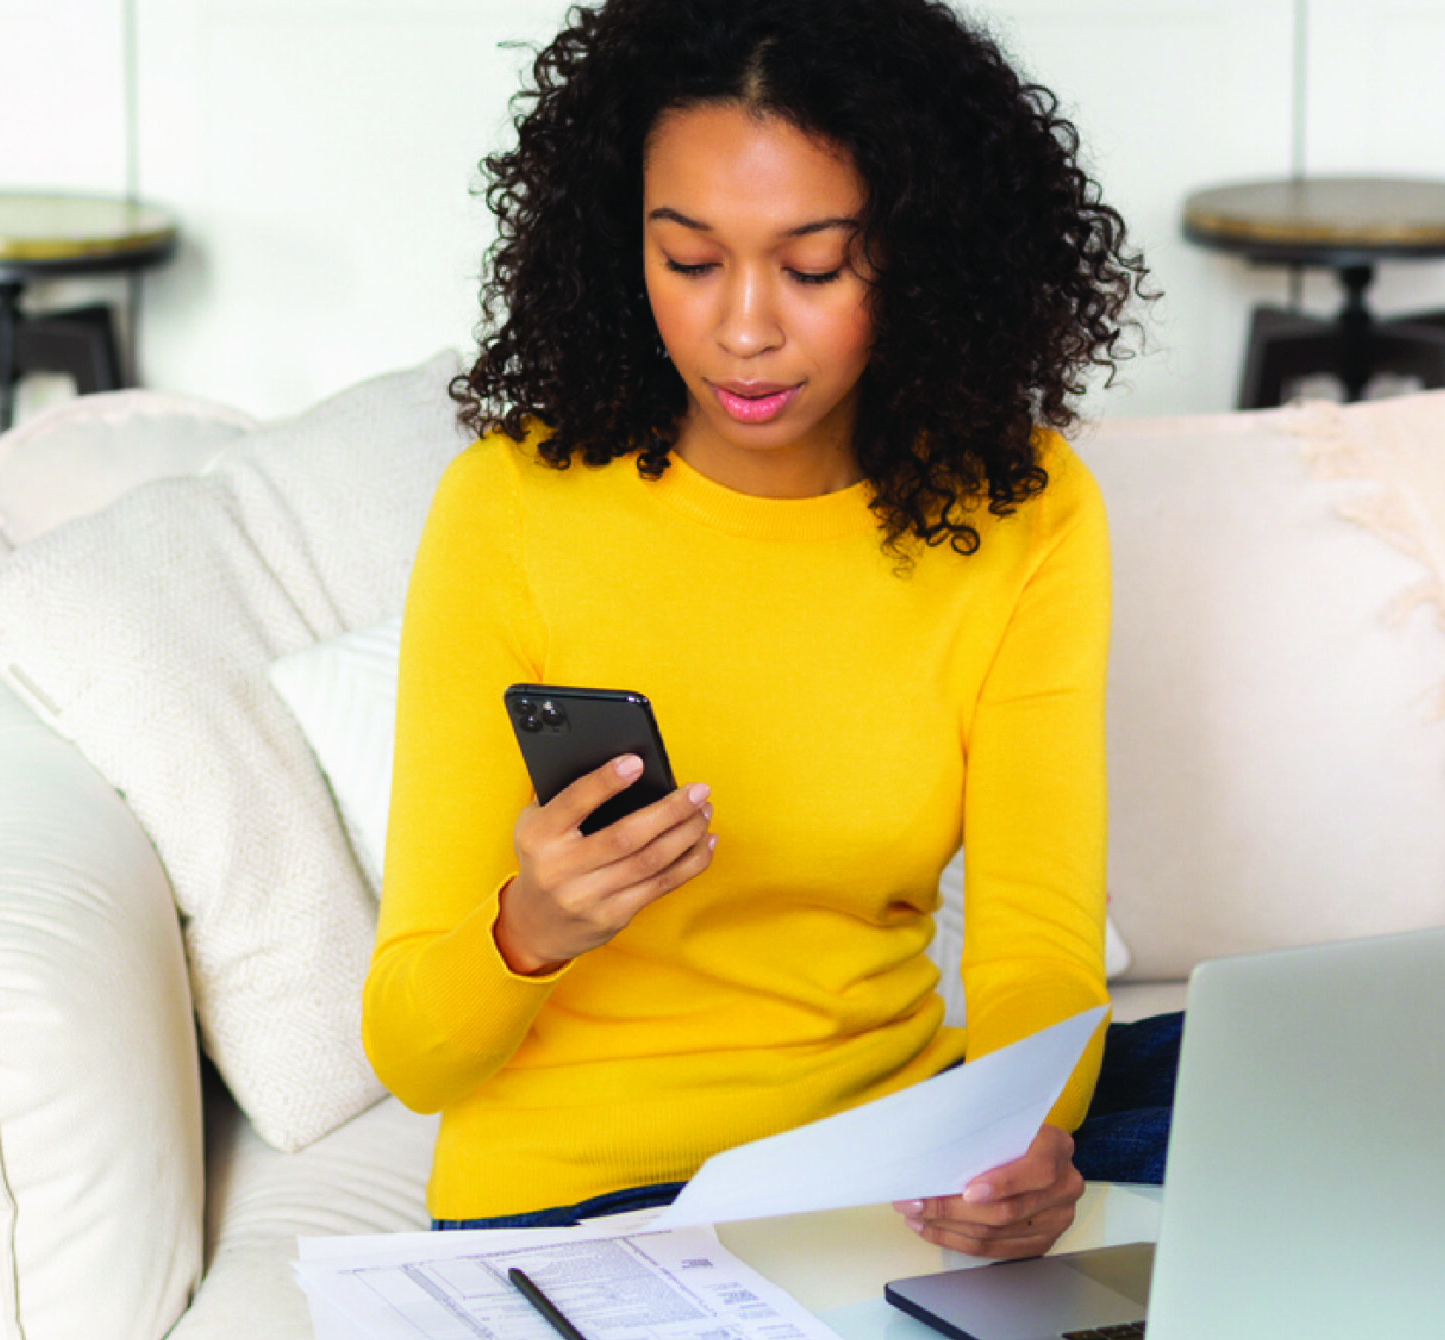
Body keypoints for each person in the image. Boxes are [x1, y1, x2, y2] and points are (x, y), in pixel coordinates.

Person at [362, 0, 1174, 1260]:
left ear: (922, 255)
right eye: (689, 260)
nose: (743, 327)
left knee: (1295, 1077)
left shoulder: (1025, 507)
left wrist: (1018, 1136)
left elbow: (1035, 945)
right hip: (578, 1198)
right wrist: (534, 924)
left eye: (812, 267)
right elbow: (412, 1050)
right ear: (617, 246)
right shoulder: (511, 507)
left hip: (879, 1161)